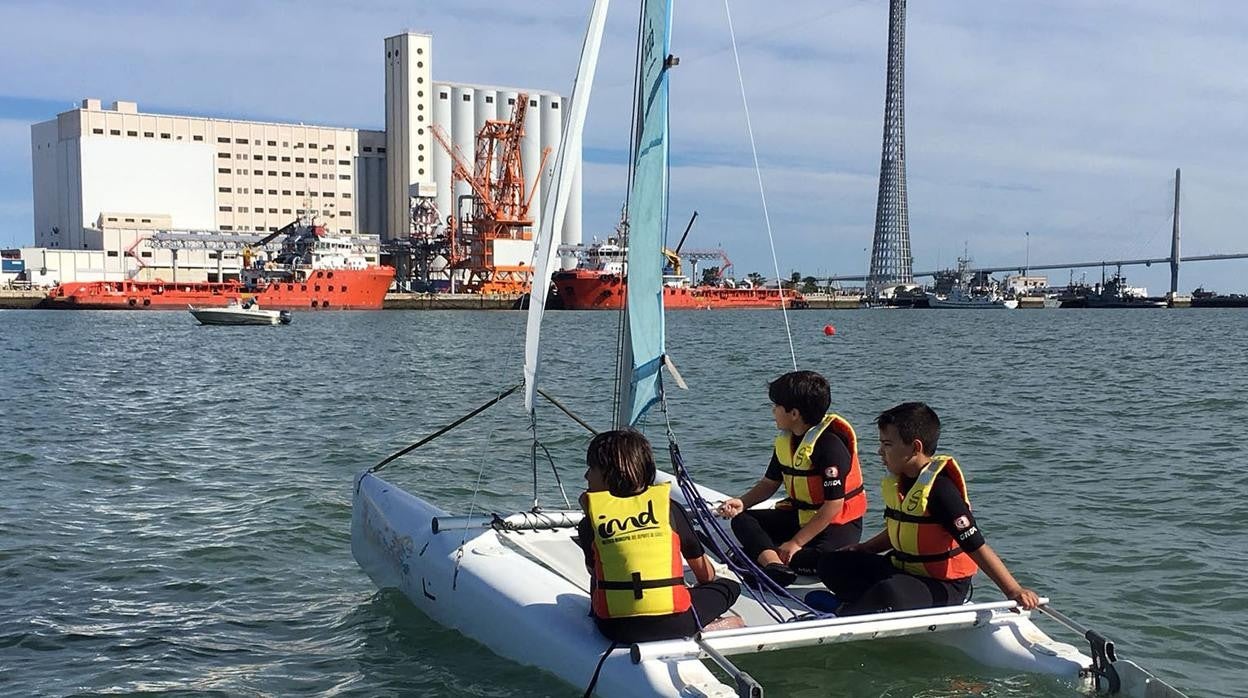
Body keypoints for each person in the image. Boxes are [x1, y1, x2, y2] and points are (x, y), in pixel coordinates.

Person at [817, 402, 1040, 615]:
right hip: (903, 571)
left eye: (887, 445)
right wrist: (864, 549)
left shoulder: (941, 490)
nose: (879, 452)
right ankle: (865, 603)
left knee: (889, 592)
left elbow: (975, 545)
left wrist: (1013, 590)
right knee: (832, 562)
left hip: (942, 585)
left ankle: (846, 611)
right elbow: (905, 528)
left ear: (915, 448)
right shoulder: (903, 480)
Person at [577, 430, 742, 643]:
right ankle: (711, 625)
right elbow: (706, 576)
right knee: (729, 586)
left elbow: (595, 572)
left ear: (609, 474)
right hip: (677, 623)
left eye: (591, 468)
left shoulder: (589, 522)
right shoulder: (669, 510)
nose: (586, 476)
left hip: (615, 629)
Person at [717, 371, 867, 587]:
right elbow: (769, 483)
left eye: (776, 406)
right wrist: (742, 502)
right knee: (742, 519)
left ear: (794, 413)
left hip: (836, 524)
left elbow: (833, 506)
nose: (773, 411)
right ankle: (773, 565)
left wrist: (796, 542)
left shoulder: (829, 446)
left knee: (827, 563)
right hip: (801, 516)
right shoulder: (788, 440)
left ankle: (764, 558)